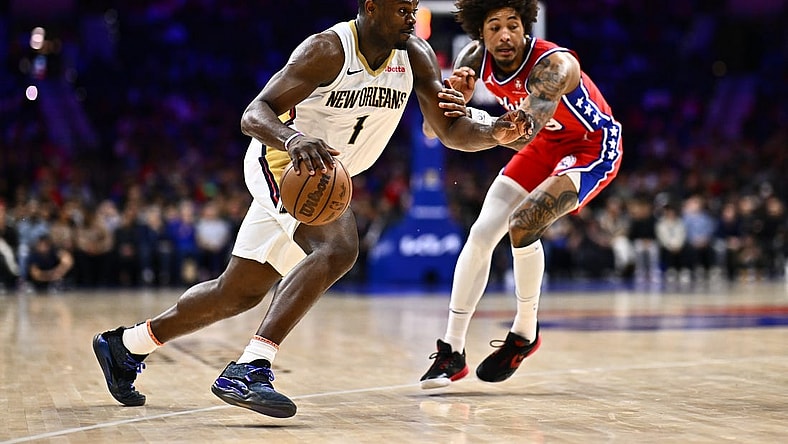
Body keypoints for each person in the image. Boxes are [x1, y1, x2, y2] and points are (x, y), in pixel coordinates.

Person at [93, 0, 529, 419]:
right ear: (371, 7)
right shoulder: (327, 49)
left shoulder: (415, 54)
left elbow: (450, 130)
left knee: (238, 292)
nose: (411, 19)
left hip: (326, 179)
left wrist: (496, 132)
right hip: (285, 163)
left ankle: (126, 346)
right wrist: (292, 140)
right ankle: (250, 367)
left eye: (413, 10)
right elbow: (254, 113)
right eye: (402, 10)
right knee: (339, 247)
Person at [420, 0, 623, 389]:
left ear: (526, 26)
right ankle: (452, 351)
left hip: (588, 148)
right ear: (480, 32)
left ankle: (524, 333)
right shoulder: (472, 57)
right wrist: (454, 102)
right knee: (480, 236)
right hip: (542, 147)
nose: (505, 35)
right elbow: (435, 132)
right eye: (494, 26)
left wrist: (469, 117)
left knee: (524, 222)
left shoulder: (555, 66)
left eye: (512, 24)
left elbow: (522, 131)